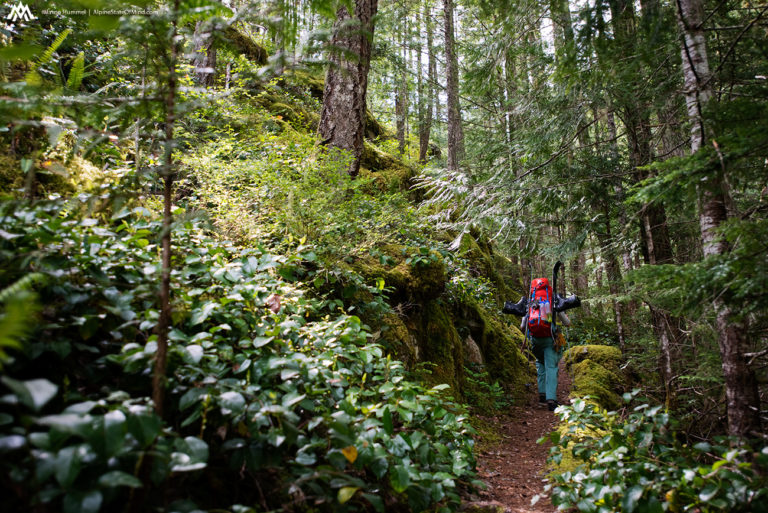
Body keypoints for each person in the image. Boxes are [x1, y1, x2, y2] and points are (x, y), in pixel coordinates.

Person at [520, 310, 571, 411]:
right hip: (550, 339)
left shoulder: (530, 302)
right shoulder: (554, 302)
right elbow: (567, 323)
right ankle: (551, 400)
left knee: (540, 362)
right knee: (551, 367)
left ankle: (542, 394)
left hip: (535, 341)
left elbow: (522, 327)